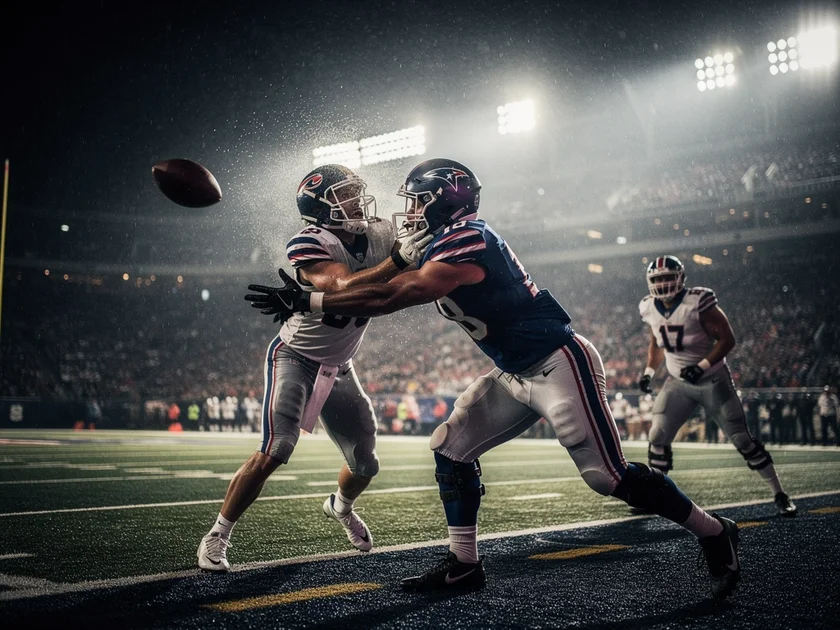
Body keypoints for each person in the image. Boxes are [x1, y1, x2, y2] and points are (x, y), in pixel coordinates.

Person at [246, 157, 743, 600]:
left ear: (443, 202)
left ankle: (713, 530)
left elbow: (394, 295)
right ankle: (464, 564)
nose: (409, 212)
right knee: (450, 447)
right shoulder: (442, 239)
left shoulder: (468, 238)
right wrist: (320, 290)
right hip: (514, 371)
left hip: (557, 363)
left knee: (606, 477)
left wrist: (310, 300)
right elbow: (381, 281)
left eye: (418, 201)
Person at [197, 164, 432, 572]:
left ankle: (340, 506)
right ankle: (217, 534)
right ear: (319, 207)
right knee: (276, 449)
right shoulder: (308, 242)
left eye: (355, 191)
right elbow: (341, 285)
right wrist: (397, 260)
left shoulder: (379, 231)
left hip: (340, 366)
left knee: (366, 463)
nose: (356, 200)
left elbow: (412, 267)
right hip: (295, 357)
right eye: (344, 195)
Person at [638, 255, 796, 517]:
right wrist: (648, 372)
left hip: (712, 379)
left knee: (742, 439)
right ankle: (655, 495)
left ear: (681, 278)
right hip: (678, 382)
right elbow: (656, 343)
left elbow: (728, 339)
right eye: (658, 278)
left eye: (668, 277)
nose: (663, 283)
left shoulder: (698, 302)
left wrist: (700, 366)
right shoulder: (648, 307)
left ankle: (780, 493)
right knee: (657, 436)